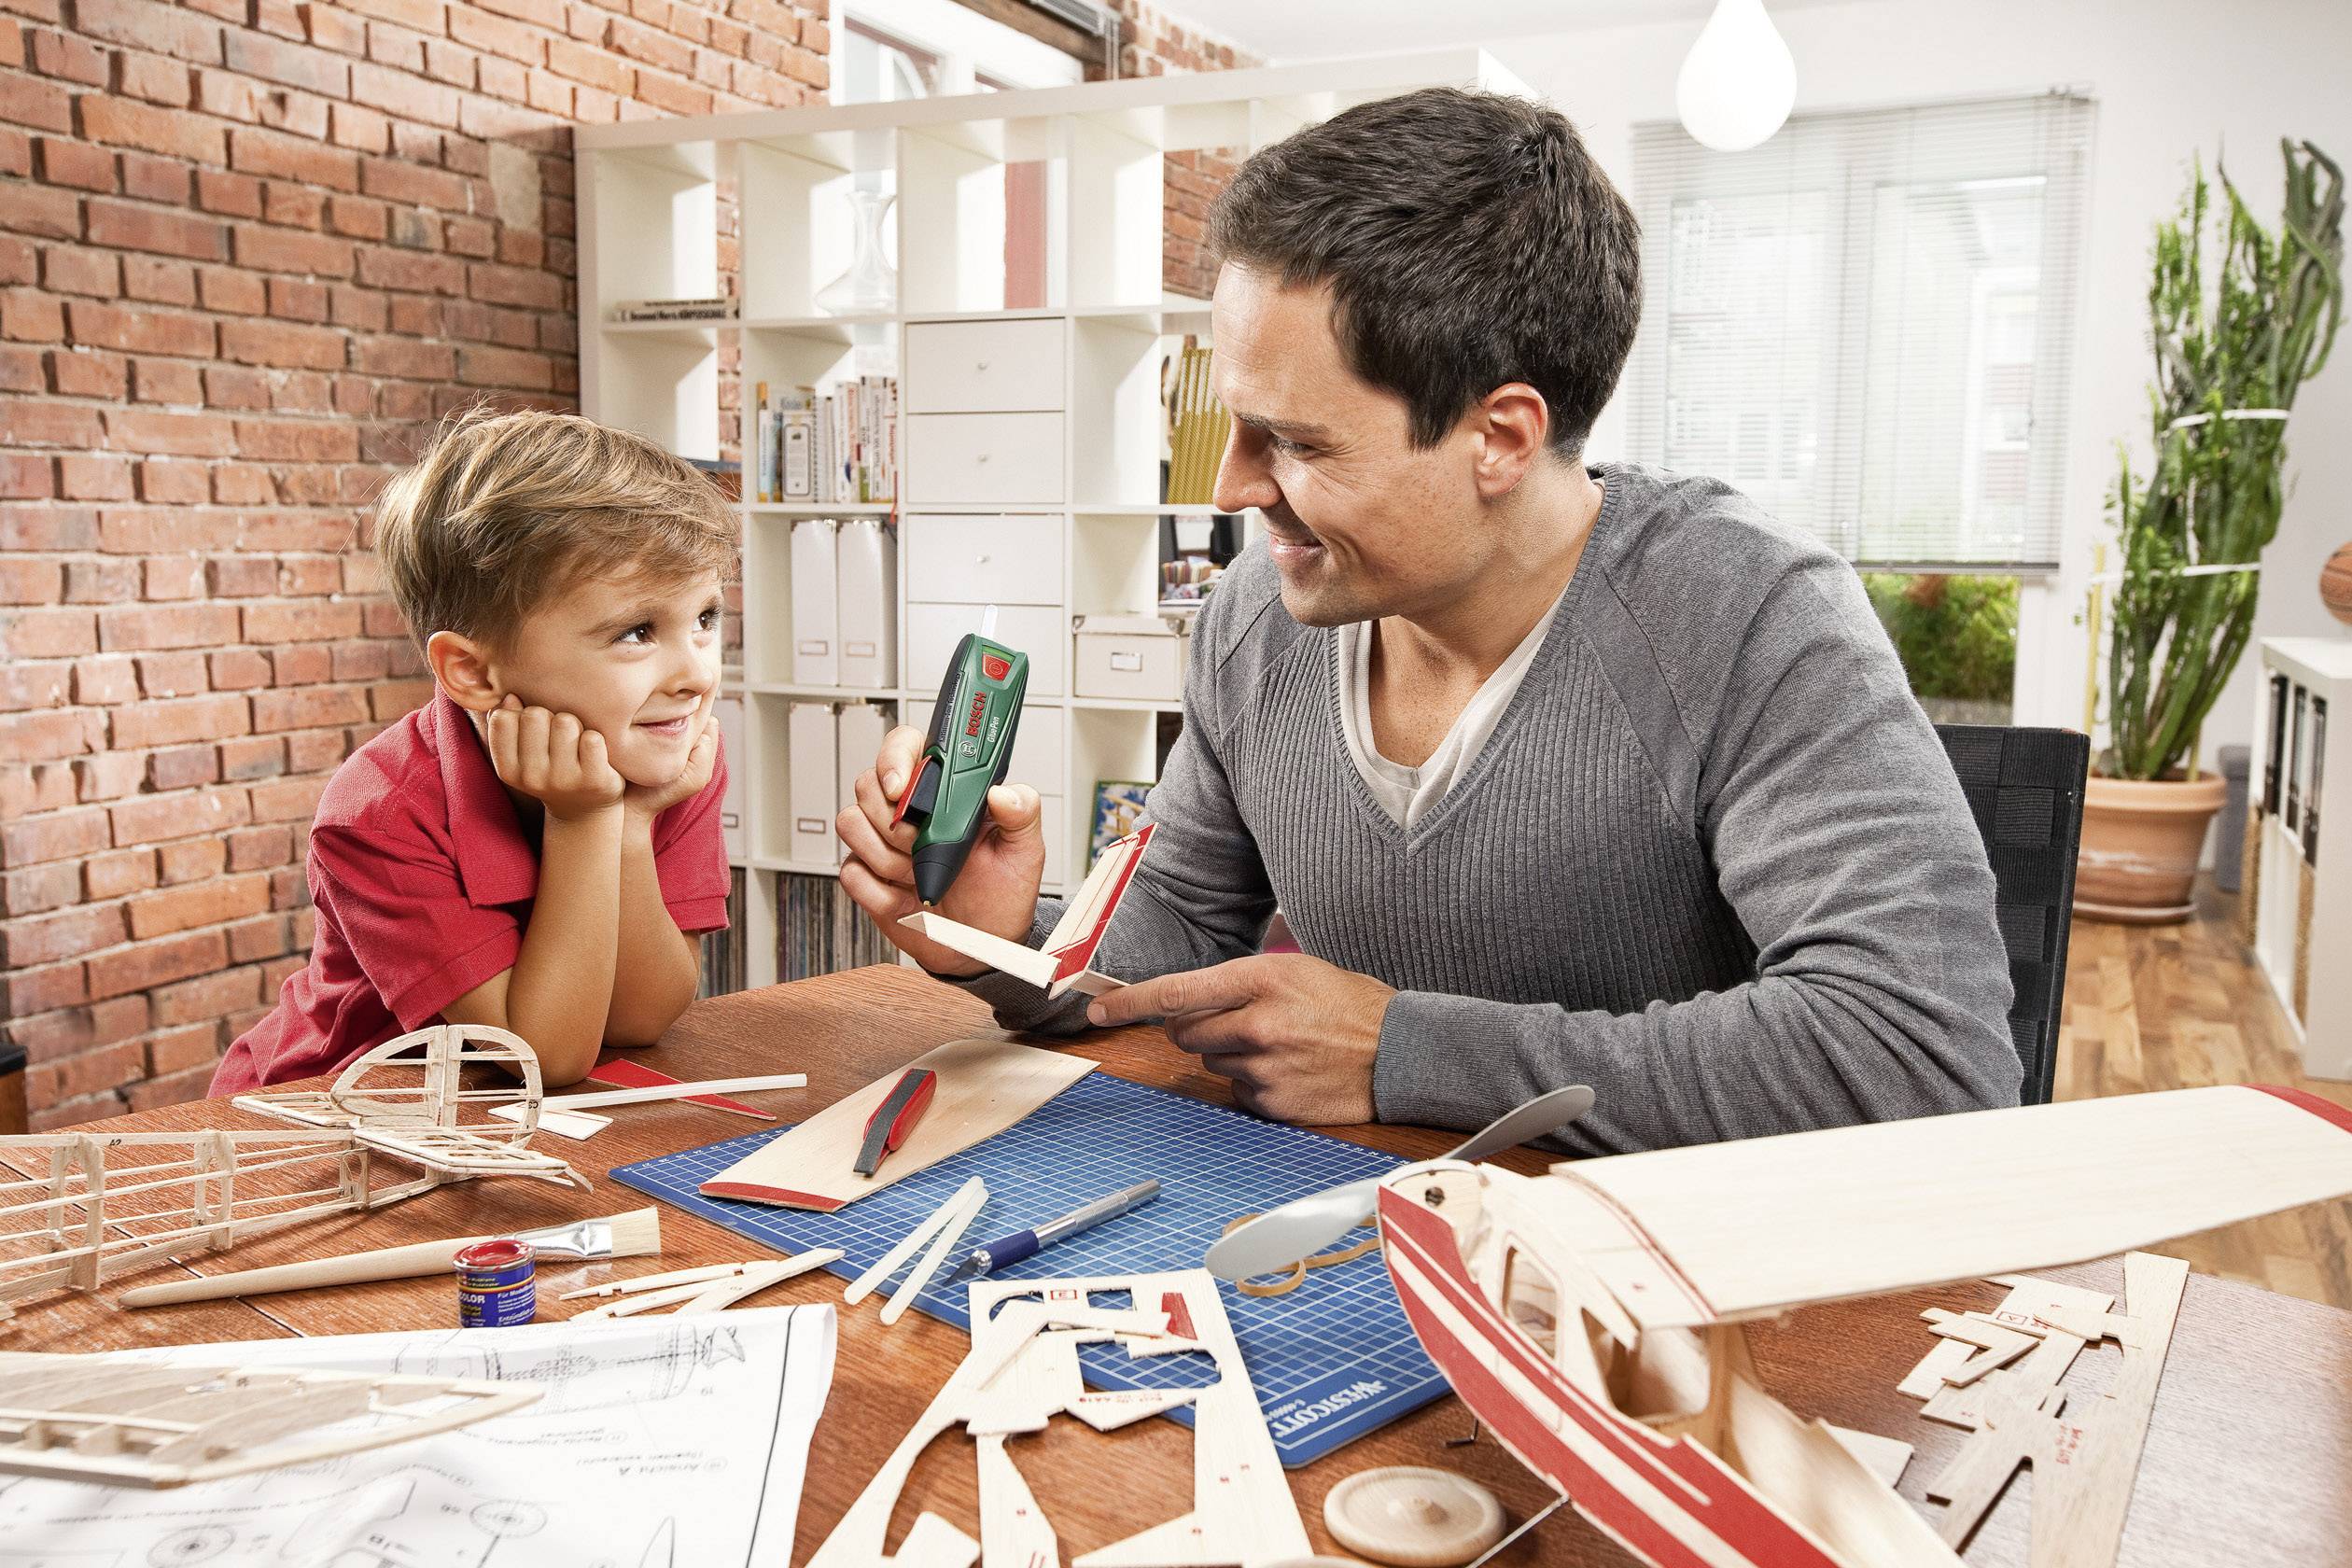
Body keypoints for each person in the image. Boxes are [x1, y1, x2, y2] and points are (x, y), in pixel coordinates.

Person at [837, 87, 2022, 1154]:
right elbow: (1181, 930)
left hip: (1682, 1285)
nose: (1232, 487)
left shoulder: (1749, 617)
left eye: (1296, 443)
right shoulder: (1261, 616)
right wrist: (1007, 943)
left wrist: (1406, 1051)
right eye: (1237, 425)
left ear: (1499, 437)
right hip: (1381, 1231)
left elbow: (1917, 1057)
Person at [211, 409, 733, 1094]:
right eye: (636, 631)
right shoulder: (380, 810)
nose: (695, 674)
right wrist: (584, 820)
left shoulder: (661, 751)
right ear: (474, 673)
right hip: (333, 1112)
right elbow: (540, 1058)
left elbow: (640, 1019)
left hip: (504, 1119)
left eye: (705, 619)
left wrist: (631, 828)